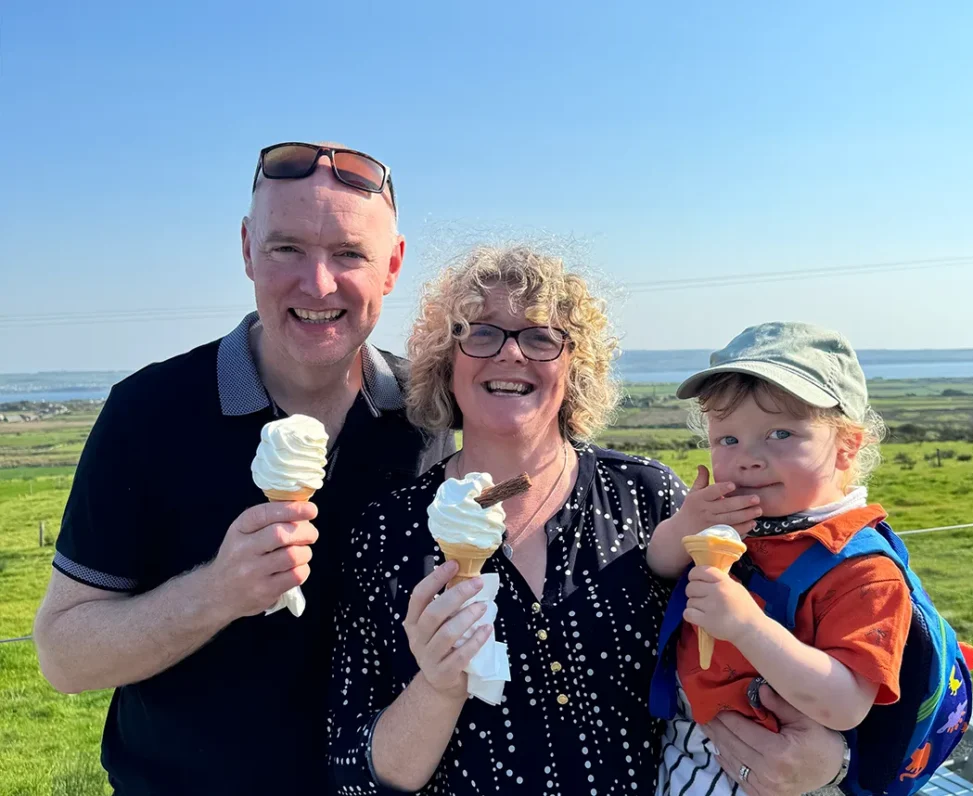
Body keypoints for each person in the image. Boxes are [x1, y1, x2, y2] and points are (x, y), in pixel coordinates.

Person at [326, 249, 849, 795]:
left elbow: (798, 638)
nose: (511, 352)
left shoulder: (648, 497)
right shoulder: (388, 531)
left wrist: (830, 761)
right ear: (445, 362)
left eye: (541, 337)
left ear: (574, 365)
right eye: (480, 333)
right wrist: (437, 688)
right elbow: (354, 771)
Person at [33, 142, 452, 795]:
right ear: (248, 250)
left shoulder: (428, 416)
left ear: (392, 266)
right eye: (287, 248)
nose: (318, 284)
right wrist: (218, 592)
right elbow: (63, 656)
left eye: (349, 253)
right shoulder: (149, 412)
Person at [646, 321, 912, 796]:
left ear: (847, 446)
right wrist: (685, 526)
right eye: (727, 440)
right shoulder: (733, 522)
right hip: (688, 747)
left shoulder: (862, 570)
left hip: (775, 774)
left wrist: (747, 625)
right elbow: (658, 565)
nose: (747, 458)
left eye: (781, 433)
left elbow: (846, 704)